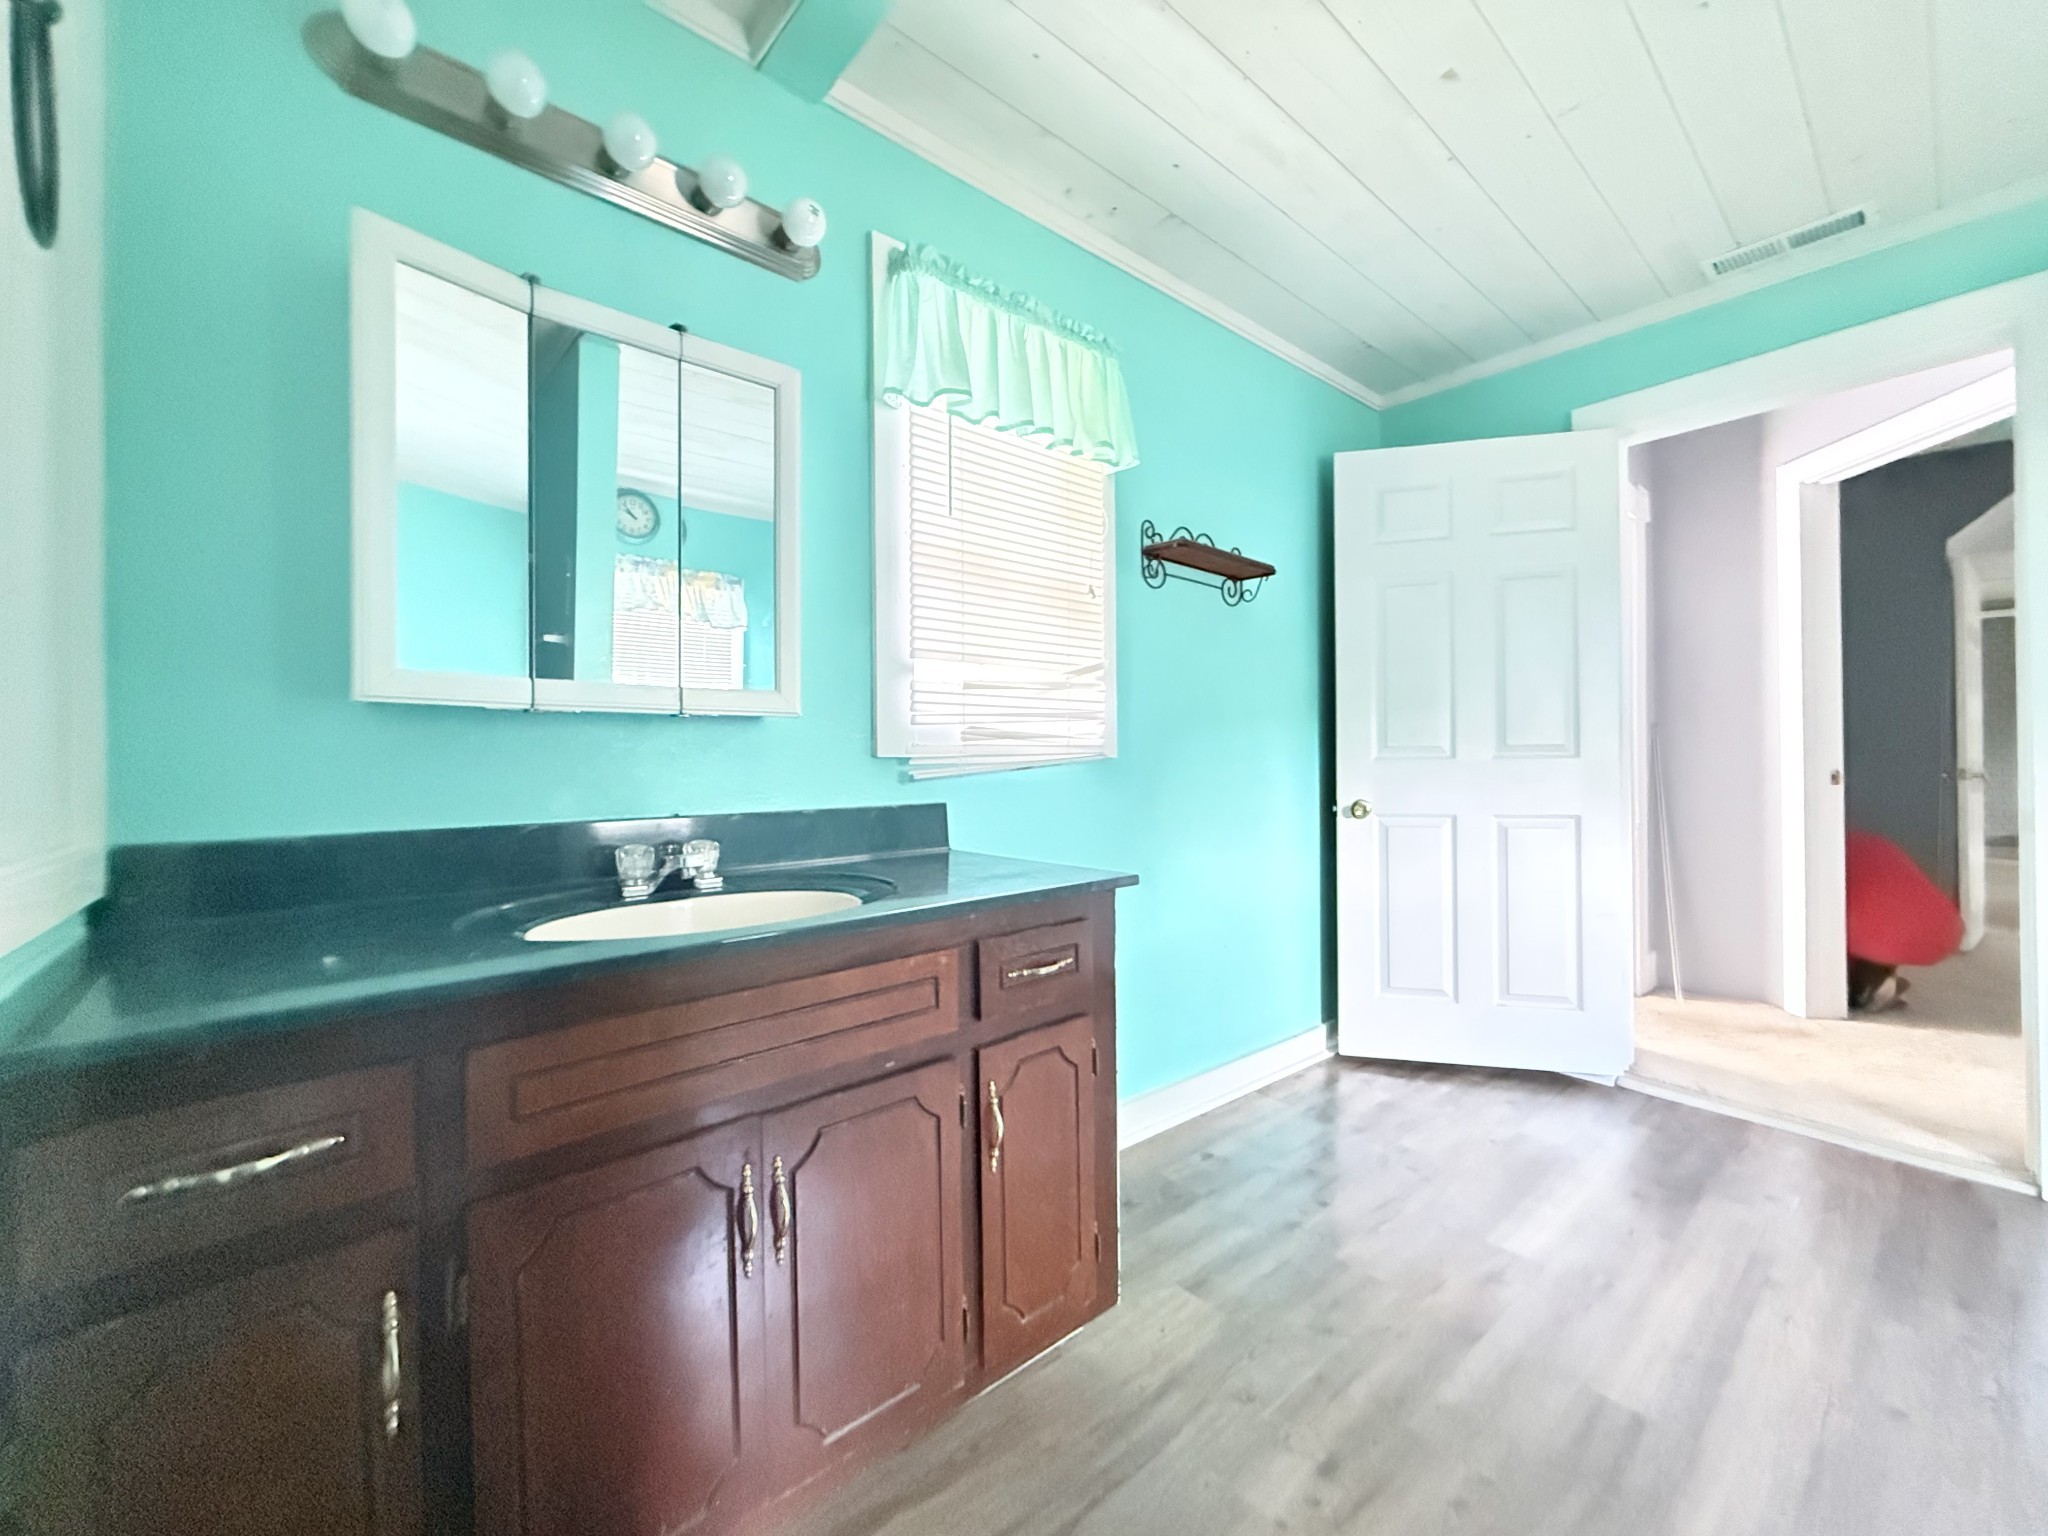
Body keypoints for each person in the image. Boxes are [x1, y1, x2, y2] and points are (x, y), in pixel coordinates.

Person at [1844, 829, 1963, 1011]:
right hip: (1943, 926)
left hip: (1878, 933)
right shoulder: (1866, 841)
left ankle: (1868, 989)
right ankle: (1877, 981)